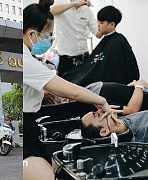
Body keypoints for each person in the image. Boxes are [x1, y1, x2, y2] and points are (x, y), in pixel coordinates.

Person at [23, 2, 119, 180]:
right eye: (49, 35)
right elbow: (73, 92)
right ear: (31, 34)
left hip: (33, 121)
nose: (50, 39)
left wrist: (42, 93)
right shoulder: (24, 59)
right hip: (27, 130)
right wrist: (102, 101)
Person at [63, 5, 139, 86]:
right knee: (69, 76)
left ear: (112, 24)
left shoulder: (118, 42)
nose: (98, 25)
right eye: (98, 21)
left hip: (108, 86)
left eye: (102, 23)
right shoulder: (107, 40)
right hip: (96, 80)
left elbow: (112, 72)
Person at [50, 0, 102, 77]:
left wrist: (105, 26)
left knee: (84, 85)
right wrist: (73, 4)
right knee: (64, 87)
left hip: (84, 57)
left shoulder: (87, 11)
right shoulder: (62, 6)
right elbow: (51, 11)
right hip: (66, 59)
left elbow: (98, 34)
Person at [81, 109, 148, 143]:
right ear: (104, 131)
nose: (102, 110)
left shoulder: (123, 120)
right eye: (98, 115)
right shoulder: (143, 133)